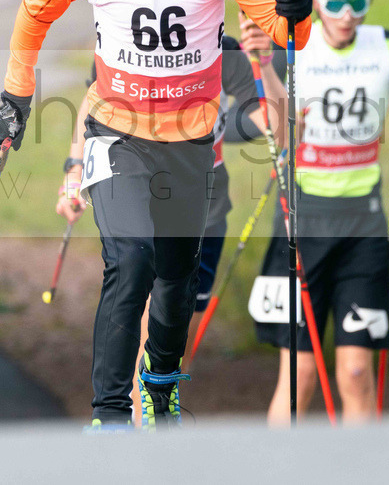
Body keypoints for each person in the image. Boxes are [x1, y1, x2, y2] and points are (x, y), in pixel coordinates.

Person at [0, 0, 312, 430]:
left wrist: (297, 11)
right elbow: (33, 14)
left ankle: (161, 382)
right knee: (130, 261)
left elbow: (285, 28)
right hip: (118, 135)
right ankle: (109, 414)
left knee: (175, 282)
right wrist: (14, 96)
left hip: (189, 142)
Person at [250, 0, 389, 424]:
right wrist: (270, 99)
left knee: (357, 373)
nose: (346, 15)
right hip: (301, 224)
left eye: (358, 3)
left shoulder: (387, 45)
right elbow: (245, 121)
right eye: (334, 3)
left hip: (363, 226)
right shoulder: (293, 47)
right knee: (298, 378)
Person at [56, 32, 287, 425]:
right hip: (141, 196)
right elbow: (93, 100)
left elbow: (274, 131)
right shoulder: (126, 34)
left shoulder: (224, 52)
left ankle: (157, 408)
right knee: (139, 299)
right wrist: (75, 169)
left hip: (203, 210)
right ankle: (128, 421)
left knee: (173, 329)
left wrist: (263, 64)